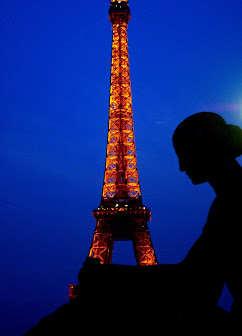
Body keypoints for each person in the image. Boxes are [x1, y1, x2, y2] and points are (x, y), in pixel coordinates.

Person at [24, 112, 241, 333]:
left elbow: (194, 285)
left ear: (205, 147)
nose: (181, 167)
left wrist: (106, 277)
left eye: (184, 154)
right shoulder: (229, 199)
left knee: (69, 317)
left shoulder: (232, 201)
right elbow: (197, 284)